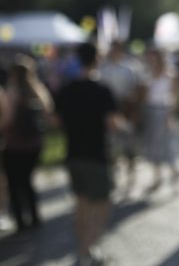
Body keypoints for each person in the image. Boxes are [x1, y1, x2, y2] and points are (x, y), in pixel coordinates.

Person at [55, 43, 119, 266]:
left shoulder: (67, 88)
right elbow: (112, 123)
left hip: (73, 153)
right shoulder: (102, 90)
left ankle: (84, 250)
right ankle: (88, 247)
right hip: (96, 154)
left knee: (81, 205)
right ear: (96, 59)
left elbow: (55, 120)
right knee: (102, 205)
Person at [0, 55, 53, 232]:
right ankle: (35, 216)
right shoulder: (38, 90)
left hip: (14, 144)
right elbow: (47, 115)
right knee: (28, 181)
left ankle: (21, 221)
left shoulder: (12, 92)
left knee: (15, 184)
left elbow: (7, 119)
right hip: (34, 144)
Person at [99, 40, 143, 195]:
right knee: (111, 147)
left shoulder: (130, 68)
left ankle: (131, 179)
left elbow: (137, 90)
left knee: (129, 147)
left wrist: (132, 106)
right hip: (110, 111)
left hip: (127, 110)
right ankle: (113, 179)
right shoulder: (104, 68)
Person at [140, 48, 179, 193]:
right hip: (151, 111)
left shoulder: (170, 74)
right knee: (154, 146)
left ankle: (175, 174)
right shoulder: (147, 74)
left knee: (167, 146)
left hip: (164, 112)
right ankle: (157, 178)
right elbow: (146, 97)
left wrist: (170, 115)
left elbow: (174, 97)